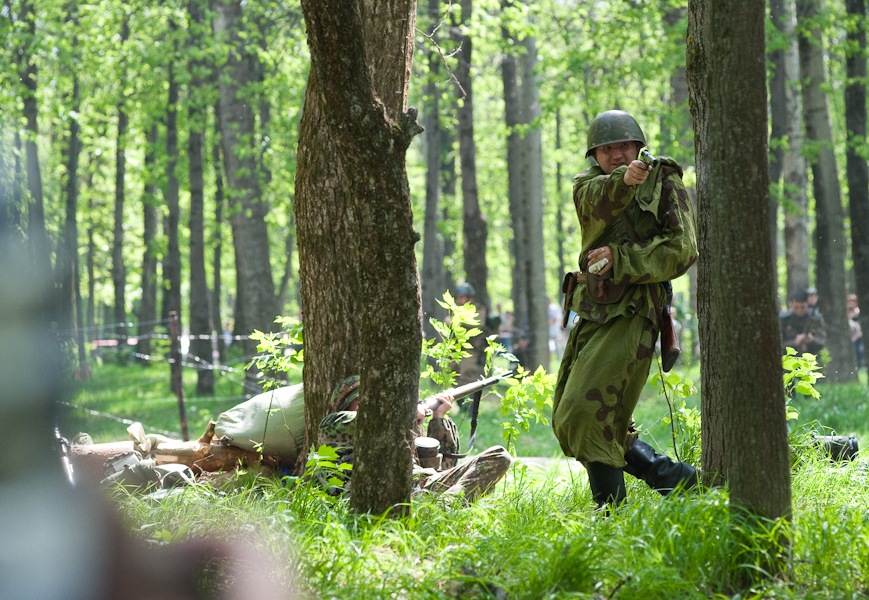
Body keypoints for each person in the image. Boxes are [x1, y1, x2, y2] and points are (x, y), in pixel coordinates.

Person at [552, 110, 699, 510]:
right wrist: (625, 181)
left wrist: (623, 259)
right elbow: (598, 202)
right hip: (593, 312)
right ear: (595, 155)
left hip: (634, 313)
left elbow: (682, 249)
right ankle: (682, 482)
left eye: (623, 146)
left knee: (587, 416)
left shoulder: (664, 179)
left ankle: (612, 520)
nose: (616, 155)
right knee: (569, 421)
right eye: (606, 149)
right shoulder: (587, 185)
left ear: (639, 146)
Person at [318, 375, 512, 503]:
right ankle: (438, 512)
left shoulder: (401, 427)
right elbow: (372, 421)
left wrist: (438, 419)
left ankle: (442, 508)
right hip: (380, 497)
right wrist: (405, 413)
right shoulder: (334, 424)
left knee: (499, 456)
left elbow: (444, 470)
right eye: (362, 403)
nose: (371, 407)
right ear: (346, 406)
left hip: (422, 488)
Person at [780, 288, 826, 355]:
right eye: (796, 307)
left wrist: (811, 340)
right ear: (791, 304)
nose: (799, 310)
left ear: (807, 304)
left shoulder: (814, 319)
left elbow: (822, 342)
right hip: (790, 359)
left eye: (803, 307)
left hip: (811, 360)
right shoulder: (784, 320)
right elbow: (779, 344)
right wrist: (795, 342)